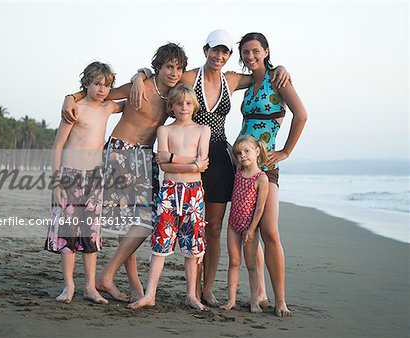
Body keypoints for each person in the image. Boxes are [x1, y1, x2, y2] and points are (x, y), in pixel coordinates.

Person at [131, 29, 290, 307]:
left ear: (229, 56)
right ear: (206, 50)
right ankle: (182, 287)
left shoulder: (232, 80)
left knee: (213, 227)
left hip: (218, 156)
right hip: (187, 159)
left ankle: (206, 290)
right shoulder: (190, 77)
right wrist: (139, 74)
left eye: (225, 52)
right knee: (187, 223)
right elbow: (162, 77)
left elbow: (261, 73)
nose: (219, 56)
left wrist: (281, 68)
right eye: (214, 50)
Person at [61, 43, 208, 303]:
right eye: (169, 67)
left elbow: (205, 77)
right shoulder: (140, 86)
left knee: (143, 221)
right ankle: (127, 283)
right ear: (158, 67)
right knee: (128, 221)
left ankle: (110, 277)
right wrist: (69, 97)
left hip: (145, 156)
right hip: (120, 151)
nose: (174, 72)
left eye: (178, 68)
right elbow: (100, 93)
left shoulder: (174, 95)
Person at [237, 32, 308, 316]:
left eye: (255, 50)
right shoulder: (247, 84)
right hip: (242, 164)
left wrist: (287, 151)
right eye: (245, 52)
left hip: (266, 167)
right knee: (248, 232)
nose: (250, 56)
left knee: (269, 231)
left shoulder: (278, 79)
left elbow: (301, 115)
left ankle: (280, 300)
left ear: (266, 51)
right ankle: (259, 294)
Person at [45, 61, 123, 304]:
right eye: (97, 83)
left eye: (107, 85)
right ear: (86, 83)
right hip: (69, 176)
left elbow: (131, 97)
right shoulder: (75, 109)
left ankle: (90, 286)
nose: (101, 89)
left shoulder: (108, 107)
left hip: (95, 178)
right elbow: (57, 146)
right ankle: (69, 286)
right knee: (67, 234)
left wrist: (141, 75)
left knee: (90, 234)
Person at [128, 84, 211, 311]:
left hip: (193, 192)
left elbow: (202, 165)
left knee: (192, 245)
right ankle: (149, 294)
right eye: (178, 103)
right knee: (161, 242)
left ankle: (191, 295)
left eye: (187, 103)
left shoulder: (203, 130)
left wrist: (175, 157)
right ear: (171, 107)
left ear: (194, 105)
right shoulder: (164, 130)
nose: (183, 107)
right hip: (169, 190)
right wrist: (191, 162)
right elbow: (163, 164)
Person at [220, 136, 269, 313]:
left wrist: (251, 229)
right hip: (233, 224)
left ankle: (254, 301)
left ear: (257, 152)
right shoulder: (239, 170)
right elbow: (230, 150)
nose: (242, 156)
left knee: (251, 265)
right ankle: (231, 300)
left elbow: (260, 208)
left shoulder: (261, 178)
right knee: (234, 262)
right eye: (239, 153)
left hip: (249, 227)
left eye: (247, 151)